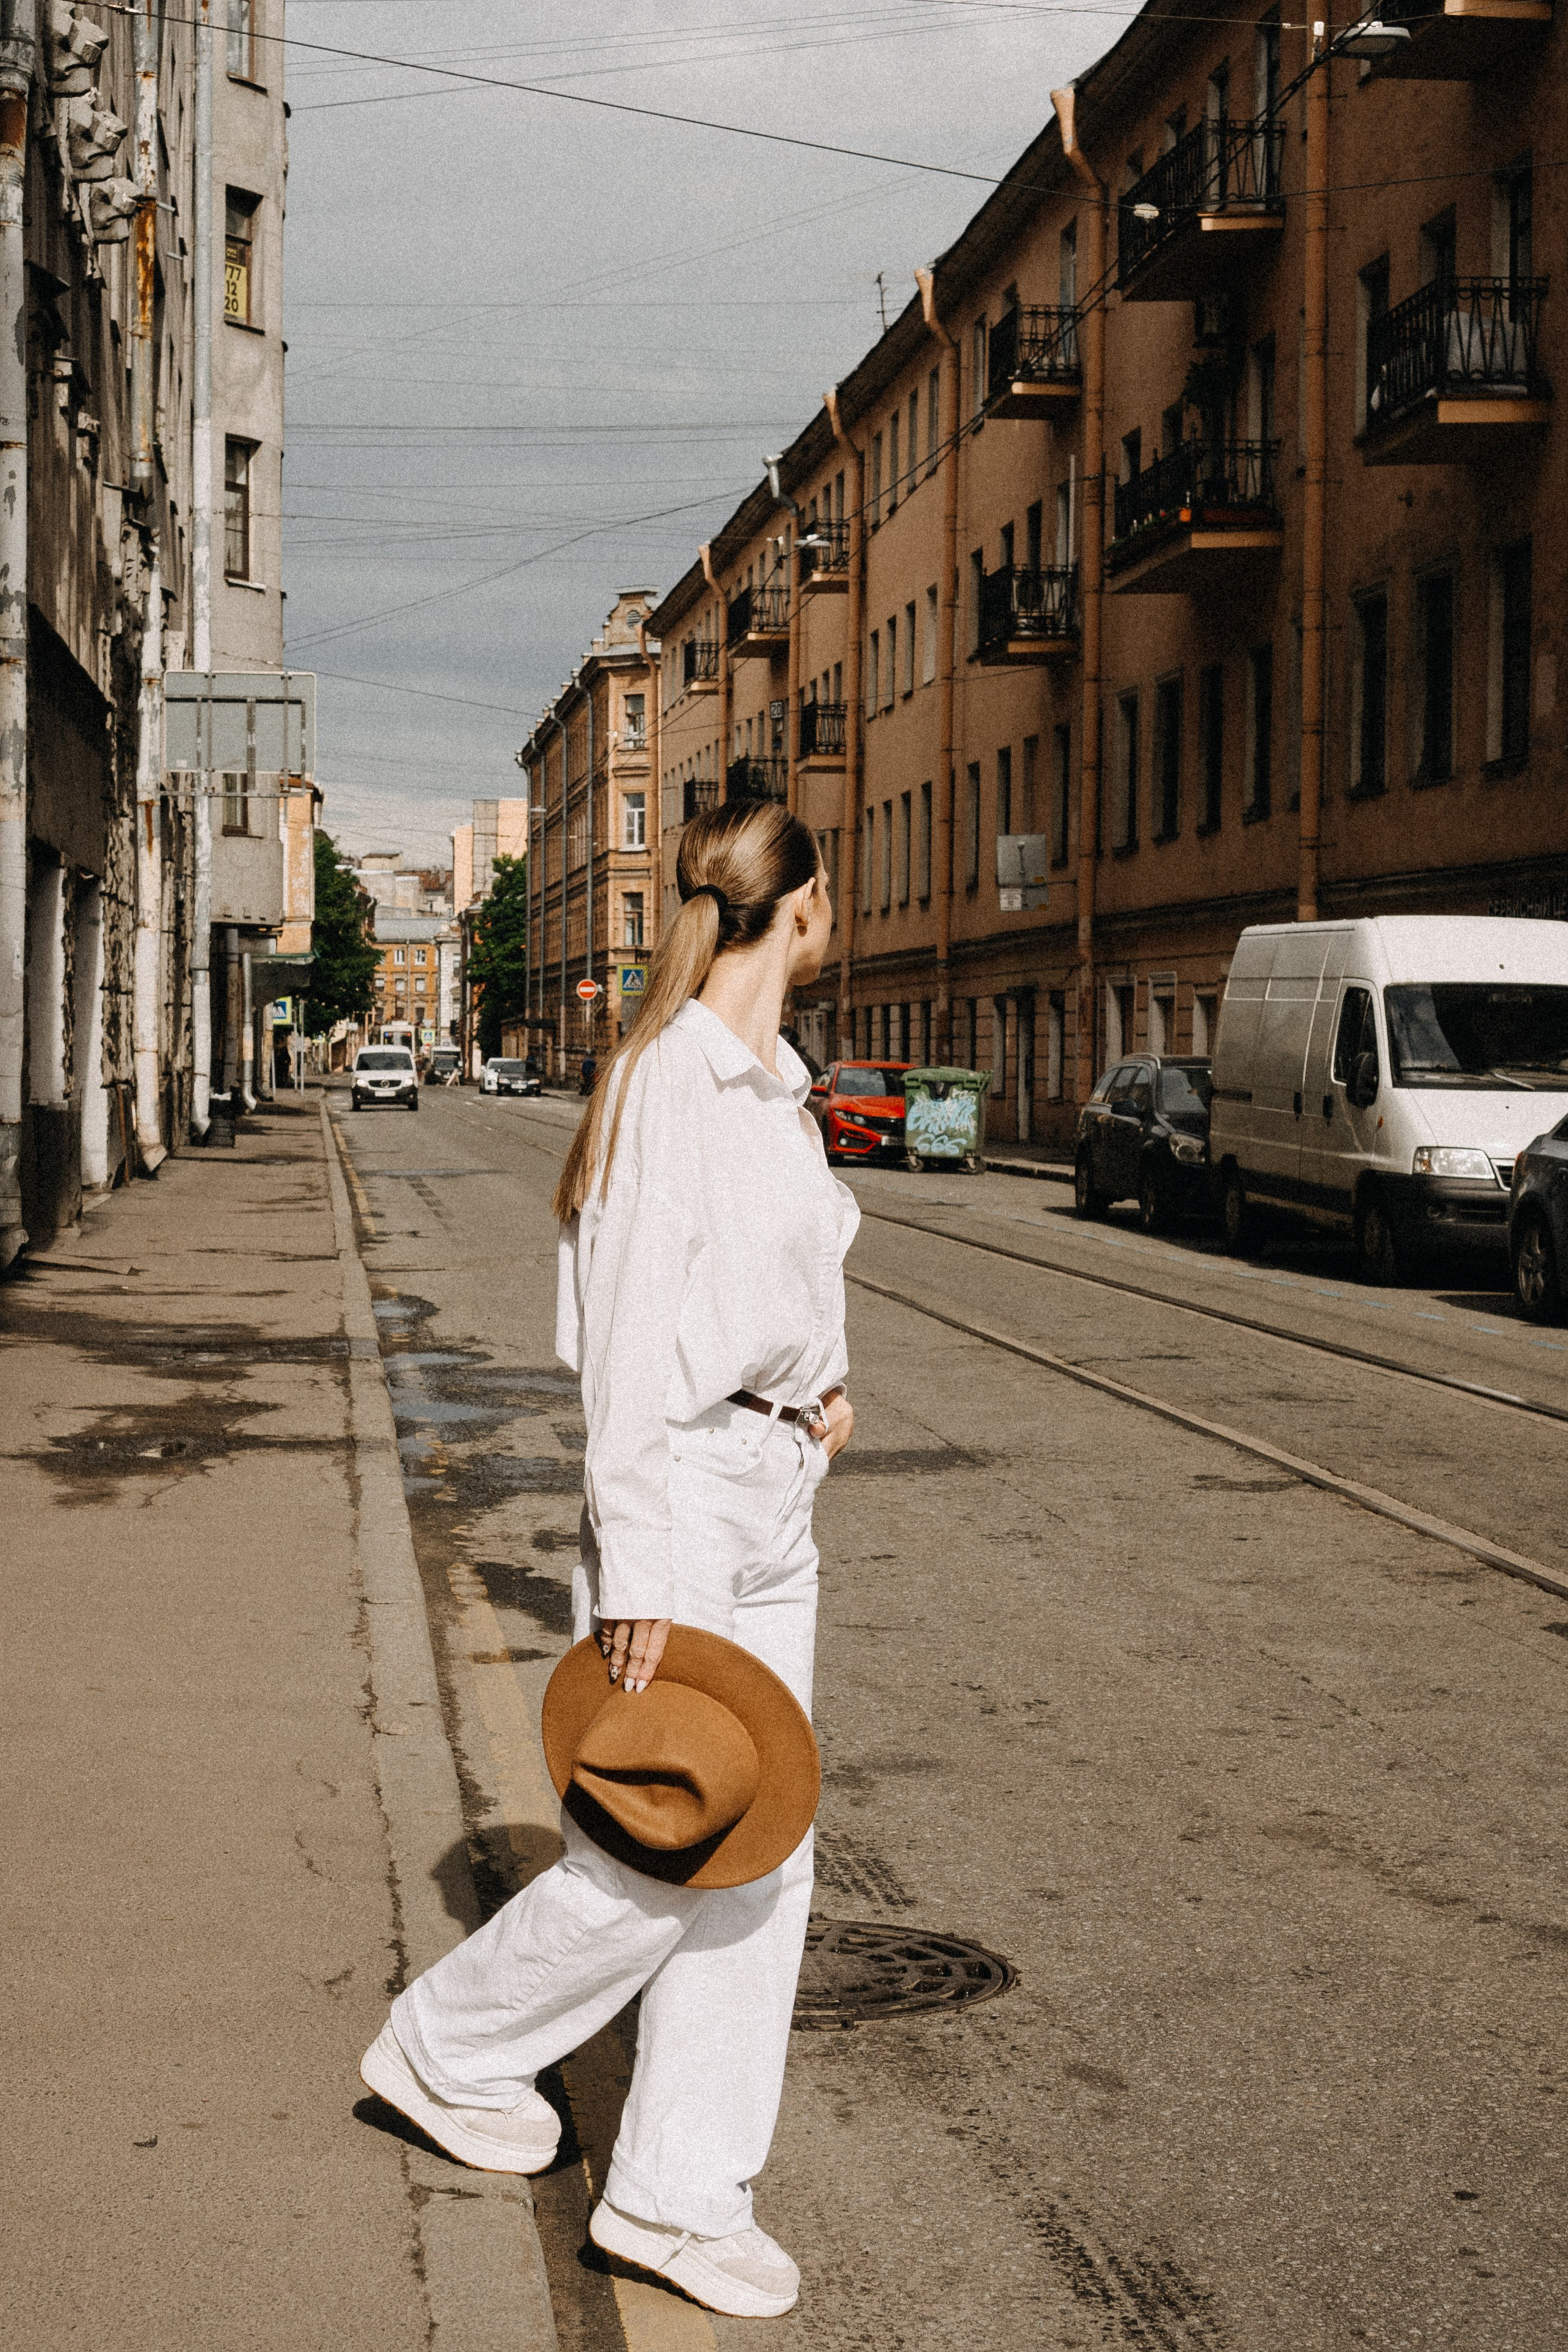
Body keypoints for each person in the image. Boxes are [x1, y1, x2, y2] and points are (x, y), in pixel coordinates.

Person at [359, 800, 856, 2321]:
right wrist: (637, 1569)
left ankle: (671, 2194)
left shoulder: (774, 1085)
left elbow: (767, 1277)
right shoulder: (666, 1083)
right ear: (800, 910)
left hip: (768, 1489)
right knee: (663, 1841)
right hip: (685, 1506)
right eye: (832, 889)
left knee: (762, 1849)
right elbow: (630, 1346)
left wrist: (815, 1389)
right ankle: (445, 2048)